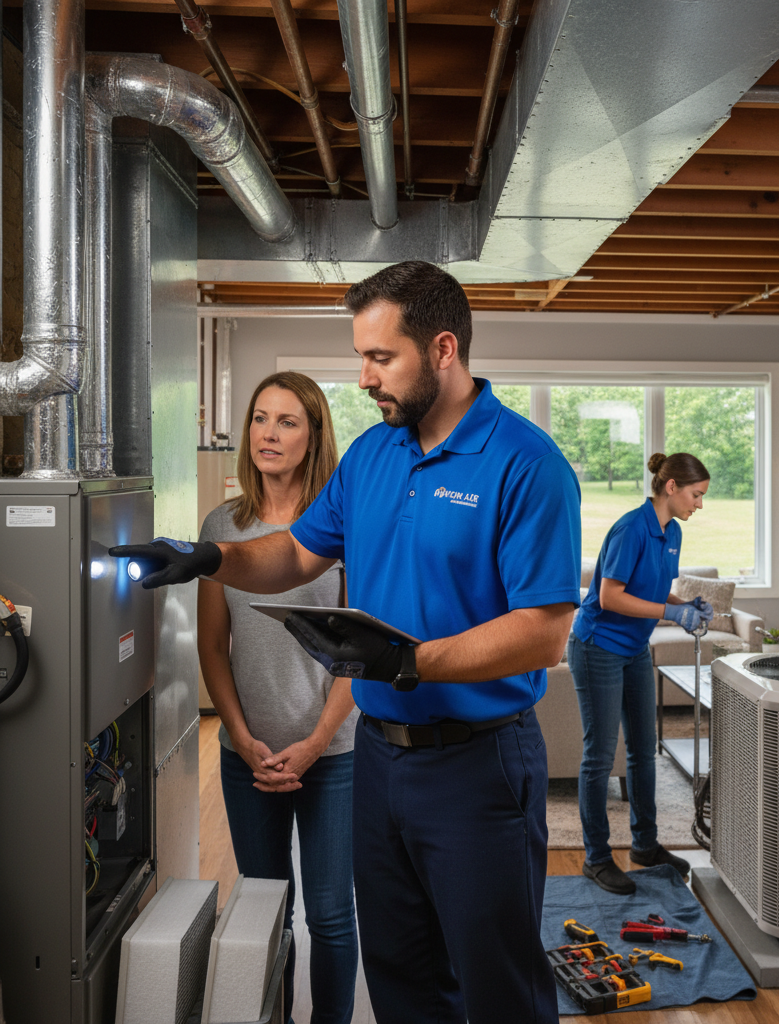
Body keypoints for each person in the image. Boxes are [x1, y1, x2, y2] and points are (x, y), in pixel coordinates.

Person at [111, 261, 582, 1024]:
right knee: (399, 972)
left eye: (381, 358)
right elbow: (297, 553)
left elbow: (544, 633)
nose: (364, 378)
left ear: (443, 349)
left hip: (479, 764)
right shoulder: (372, 456)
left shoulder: (526, 463)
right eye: (361, 356)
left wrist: (410, 662)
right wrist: (211, 558)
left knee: (496, 983)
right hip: (379, 761)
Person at [197, 371, 358, 1024]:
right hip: (249, 755)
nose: (267, 433)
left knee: (331, 915)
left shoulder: (342, 526)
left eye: (287, 421)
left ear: (314, 434)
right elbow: (213, 645)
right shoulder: (222, 525)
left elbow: (357, 652)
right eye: (260, 418)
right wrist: (240, 738)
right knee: (266, 910)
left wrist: (316, 743)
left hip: (333, 754)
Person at [567, 452, 713, 896]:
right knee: (600, 756)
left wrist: (685, 605)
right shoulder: (631, 528)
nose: (699, 504)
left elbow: (654, 588)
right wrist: (671, 612)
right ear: (671, 487)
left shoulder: (673, 532)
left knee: (644, 751)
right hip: (597, 647)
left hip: (633, 650)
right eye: (696, 495)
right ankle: (596, 858)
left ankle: (645, 846)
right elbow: (609, 597)